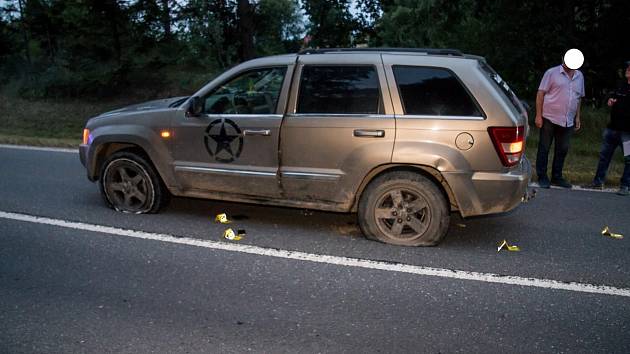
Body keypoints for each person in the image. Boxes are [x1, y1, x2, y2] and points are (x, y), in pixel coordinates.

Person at [535, 52, 585, 189]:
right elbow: (540, 93)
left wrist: (577, 117)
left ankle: (557, 177)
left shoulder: (580, 76)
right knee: (544, 148)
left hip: (568, 120)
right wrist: (538, 116)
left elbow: (578, 97)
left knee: (562, 149)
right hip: (549, 118)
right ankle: (542, 176)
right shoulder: (551, 73)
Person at [584, 61, 630, 196]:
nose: (628, 69)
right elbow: (612, 97)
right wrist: (611, 100)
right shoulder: (621, 84)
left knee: (628, 159)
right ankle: (598, 182)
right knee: (604, 157)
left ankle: (625, 185)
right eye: (627, 67)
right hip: (612, 129)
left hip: (627, 132)